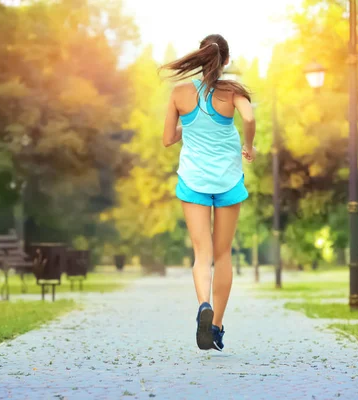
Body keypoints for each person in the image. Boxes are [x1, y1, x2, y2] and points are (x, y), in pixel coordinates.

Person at [160, 34, 256, 351]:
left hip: (194, 181)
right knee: (222, 254)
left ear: (200, 59)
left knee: (201, 254)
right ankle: (215, 328)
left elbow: (167, 139)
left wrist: (190, 125)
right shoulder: (231, 92)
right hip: (228, 181)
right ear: (225, 61)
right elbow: (250, 117)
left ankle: (203, 305)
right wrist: (248, 144)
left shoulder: (179, 93)